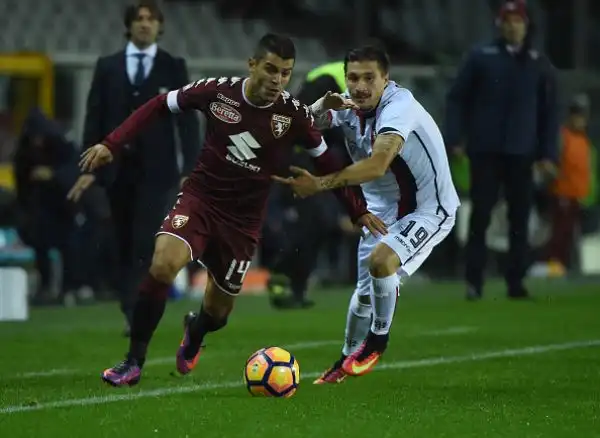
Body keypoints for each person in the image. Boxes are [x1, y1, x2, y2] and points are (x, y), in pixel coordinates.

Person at [79, 33, 386, 387]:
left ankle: (195, 331)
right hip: (200, 200)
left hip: (242, 222)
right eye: (270, 69)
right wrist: (112, 143)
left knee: (218, 314)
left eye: (285, 73)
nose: (276, 80)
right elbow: (161, 104)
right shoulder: (217, 91)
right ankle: (133, 361)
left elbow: (328, 161)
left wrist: (356, 209)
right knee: (163, 264)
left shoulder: (294, 115)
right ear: (252, 65)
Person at [273, 44, 460, 382]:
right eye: (353, 78)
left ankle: (377, 340)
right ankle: (344, 361)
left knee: (381, 261)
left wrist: (320, 184)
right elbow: (300, 123)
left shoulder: (398, 108)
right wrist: (316, 107)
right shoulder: (348, 104)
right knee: (362, 297)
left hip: (428, 208)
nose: (359, 86)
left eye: (368, 78)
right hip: (381, 209)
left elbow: (377, 165)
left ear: (386, 79)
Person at [67, 1, 201, 333]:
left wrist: (191, 168)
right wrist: (88, 168)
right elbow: (94, 119)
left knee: (145, 240)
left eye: (151, 19)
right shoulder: (107, 66)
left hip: (158, 170)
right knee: (121, 242)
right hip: (115, 170)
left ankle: (137, 312)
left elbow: (186, 122)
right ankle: (129, 305)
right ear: (129, 25)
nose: (145, 24)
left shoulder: (173, 66)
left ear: (159, 26)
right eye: (139, 19)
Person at [444, 0, 559, 300]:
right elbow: (457, 99)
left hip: (522, 152)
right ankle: (474, 281)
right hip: (485, 149)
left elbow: (549, 113)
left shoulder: (538, 62)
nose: (512, 26)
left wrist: (548, 154)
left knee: (519, 219)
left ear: (525, 24)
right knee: (481, 215)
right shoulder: (481, 57)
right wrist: (454, 137)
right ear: (500, 24)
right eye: (507, 20)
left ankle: (516, 281)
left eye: (517, 20)